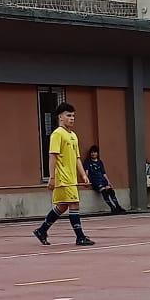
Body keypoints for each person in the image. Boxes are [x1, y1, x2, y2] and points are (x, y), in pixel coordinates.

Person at [35, 102, 94, 246]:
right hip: (63, 177)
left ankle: (42, 230)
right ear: (60, 117)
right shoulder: (57, 134)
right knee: (74, 204)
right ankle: (80, 237)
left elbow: (77, 158)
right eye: (69, 115)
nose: (72, 118)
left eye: (73, 116)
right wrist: (52, 177)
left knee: (62, 206)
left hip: (71, 177)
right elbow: (52, 156)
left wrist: (83, 175)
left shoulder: (73, 135)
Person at [85, 146, 127, 214]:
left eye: (95, 152)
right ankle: (112, 207)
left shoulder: (100, 162)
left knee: (111, 191)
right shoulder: (88, 162)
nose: (93, 154)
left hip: (102, 179)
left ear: (97, 153)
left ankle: (118, 206)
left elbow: (104, 173)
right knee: (104, 191)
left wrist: (108, 182)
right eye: (92, 152)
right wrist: (86, 180)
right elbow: (86, 172)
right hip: (95, 180)